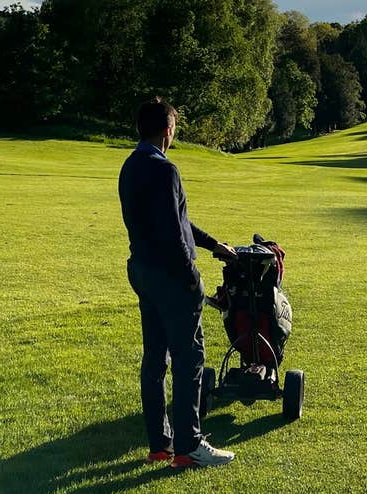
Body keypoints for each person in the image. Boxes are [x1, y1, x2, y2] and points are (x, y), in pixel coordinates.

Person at [119, 97, 239, 468]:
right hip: (172, 278)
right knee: (189, 359)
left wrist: (212, 244)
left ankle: (160, 445)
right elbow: (174, 232)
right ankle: (189, 447)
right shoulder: (166, 169)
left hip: (142, 271)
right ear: (168, 130)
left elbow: (178, 220)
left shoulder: (130, 166)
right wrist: (193, 277)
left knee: (155, 359)